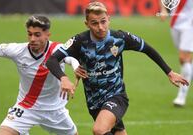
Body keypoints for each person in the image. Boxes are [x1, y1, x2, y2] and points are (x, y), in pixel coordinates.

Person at [46, 2, 189, 135]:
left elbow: (147, 48)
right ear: (87, 23)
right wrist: (63, 78)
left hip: (117, 96)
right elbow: (52, 60)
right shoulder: (79, 41)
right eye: (94, 23)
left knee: (99, 130)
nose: (100, 27)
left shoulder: (120, 38)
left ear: (109, 19)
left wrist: (169, 72)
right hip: (94, 101)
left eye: (103, 21)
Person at [0, 15, 79, 135]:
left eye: (37, 35)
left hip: (55, 110)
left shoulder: (57, 49)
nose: (32, 39)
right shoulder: (18, 50)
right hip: (26, 108)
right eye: (29, 34)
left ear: (47, 35)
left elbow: (71, 59)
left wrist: (74, 70)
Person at [160, 0, 193, 106]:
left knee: (184, 58)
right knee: (184, 59)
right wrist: (163, 8)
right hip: (175, 23)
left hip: (190, 24)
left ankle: (181, 96)